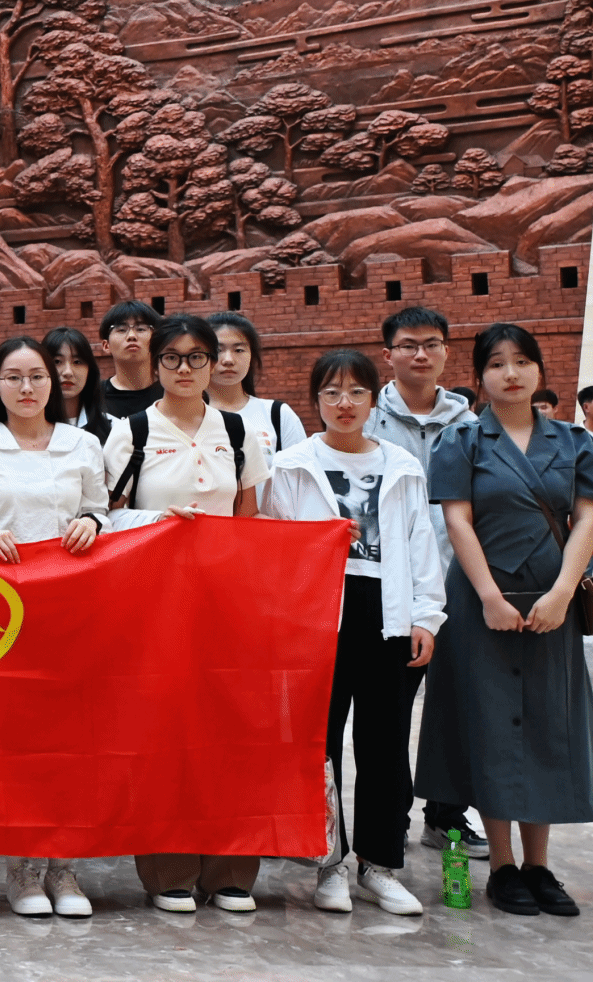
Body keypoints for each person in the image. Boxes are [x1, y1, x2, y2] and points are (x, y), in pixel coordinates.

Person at [416, 322, 593, 918]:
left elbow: (587, 520)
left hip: (551, 603)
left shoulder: (575, 441)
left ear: (540, 370)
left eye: (521, 361)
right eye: (496, 363)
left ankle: (540, 866)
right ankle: (502, 866)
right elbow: (457, 521)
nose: (510, 373)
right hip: (479, 604)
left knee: (547, 723)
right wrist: (490, 596)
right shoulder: (462, 440)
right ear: (480, 376)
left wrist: (562, 592)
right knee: (489, 725)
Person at [262, 349, 443, 917]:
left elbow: (421, 543)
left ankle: (379, 866)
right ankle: (329, 864)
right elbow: (274, 548)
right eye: (332, 392)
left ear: (373, 399)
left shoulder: (401, 464)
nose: (345, 403)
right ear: (315, 400)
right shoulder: (291, 465)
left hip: (389, 613)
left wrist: (425, 617)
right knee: (318, 746)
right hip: (317, 618)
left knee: (385, 744)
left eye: (357, 392)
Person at [101, 314, 270, 912]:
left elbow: (249, 519)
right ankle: (169, 871)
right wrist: (158, 522)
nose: (184, 368)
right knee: (165, 734)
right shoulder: (131, 433)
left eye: (197, 357)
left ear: (212, 363)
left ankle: (231, 871)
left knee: (231, 732)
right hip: (155, 607)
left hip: (225, 604)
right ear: (155, 364)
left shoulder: (241, 432)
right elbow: (105, 517)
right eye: (171, 357)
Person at [0, 337, 107, 918]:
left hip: (70, 608)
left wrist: (91, 522)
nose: (27, 387)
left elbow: (101, 510)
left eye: (37, 375)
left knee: (71, 741)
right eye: (13, 377)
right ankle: (21, 868)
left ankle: (64, 868)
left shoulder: (83, 443)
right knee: (16, 741)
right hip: (1, 612)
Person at [360, 305, 486, 858]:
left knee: (456, 707)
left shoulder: (471, 426)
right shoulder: (366, 419)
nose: (420, 354)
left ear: (446, 352)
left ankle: (446, 817)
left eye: (431, 344)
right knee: (389, 716)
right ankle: (384, 827)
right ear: (387, 354)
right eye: (408, 345)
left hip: (461, 582)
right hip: (390, 591)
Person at [205, 313, 307, 474]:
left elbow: (301, 479)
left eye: (239, 350)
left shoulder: (278, 415)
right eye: (218, 350)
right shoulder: (184, 416)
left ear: (252, 356)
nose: (228, 359)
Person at [44, 326, 111, 443]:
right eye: (57, 362)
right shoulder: (25, 429)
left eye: (77, 362)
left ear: (90, 370)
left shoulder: (113, 429)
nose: (67, 372)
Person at [98, 302, 163, 419]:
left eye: (141, 329)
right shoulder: (93, 397)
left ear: (157, 341)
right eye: (121, 330)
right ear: (106, 345)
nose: (131, 336)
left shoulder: (172, 392)